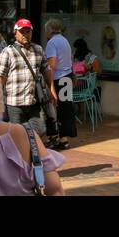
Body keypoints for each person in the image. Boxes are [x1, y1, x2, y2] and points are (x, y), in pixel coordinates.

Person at [0, 18, 50, 134]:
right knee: (17, 134)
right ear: (15, 33)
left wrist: (52, 91)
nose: (25, 34)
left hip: (33, 101)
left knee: (40, 130)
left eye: (28, 31)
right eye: (22, 31)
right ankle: (23, 151)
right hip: (14, 103)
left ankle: (28, 150)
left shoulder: (38, 50)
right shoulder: (7, 52)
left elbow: (46, 70)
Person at [44, 18, 76, 149]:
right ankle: (64, 139)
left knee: (52, 109)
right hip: (67, 77)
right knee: (66, 109)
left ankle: (53, 138)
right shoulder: (65, 40)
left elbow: (51, 65)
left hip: (57, 79)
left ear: (49, 30)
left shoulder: (51, 42)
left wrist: (49, 84)